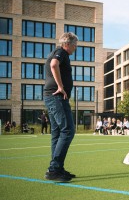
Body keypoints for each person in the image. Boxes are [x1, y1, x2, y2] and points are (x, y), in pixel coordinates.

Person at [43, 32, 78, 182]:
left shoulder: (58, 53)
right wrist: (61, 86)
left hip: (52, 97)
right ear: (68, 44)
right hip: (56, 97)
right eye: (75, 45)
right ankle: (54, 169)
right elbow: (54, 65)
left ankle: (57, 168)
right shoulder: (60, 52)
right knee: (68, 130)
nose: (76, 48)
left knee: (57, 133)